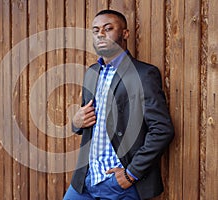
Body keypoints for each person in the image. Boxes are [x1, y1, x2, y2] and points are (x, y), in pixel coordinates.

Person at [63, 9, 174, 200]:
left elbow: (162, 130)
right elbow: (86, 122)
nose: (100, 34)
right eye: (96, 30)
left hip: (119, 184)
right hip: (86, 180)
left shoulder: (143, 74)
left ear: (125, 33)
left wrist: (131, 174)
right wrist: (75, 122)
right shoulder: (92, 73)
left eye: (108, 28)